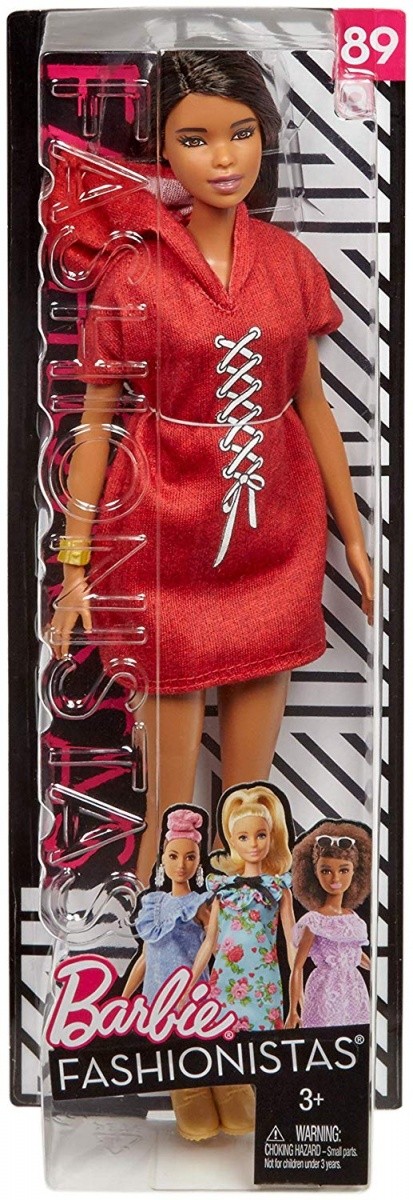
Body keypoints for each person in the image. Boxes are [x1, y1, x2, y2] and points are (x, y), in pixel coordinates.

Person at [46, 50, 374, 884]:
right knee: (168, 801)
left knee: (250, 804)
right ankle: (156, 932)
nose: (224, 158)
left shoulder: (287, 262)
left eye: (242, 133)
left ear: (266, 137)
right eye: (195, 139)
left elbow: (312, 406)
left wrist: (355, 539)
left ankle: (248, 931)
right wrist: (73, 565)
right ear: (162, 148)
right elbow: (94, 429)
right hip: (165, 534)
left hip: (274, 534)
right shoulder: (136, 273)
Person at [122, 804, 255, 1141]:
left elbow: (216, 945)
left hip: (193, 991)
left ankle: (230, 1087)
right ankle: (188, 1092)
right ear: (163, 861)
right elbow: (145, 956)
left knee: (209, 1040)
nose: (181, 865)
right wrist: (124, 997)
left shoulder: (199, 903)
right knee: (175, 1048)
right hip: (159, 995)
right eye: (173, 856)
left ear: (198, 862)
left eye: (190, 857)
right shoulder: (153, 905)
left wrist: (204, 979)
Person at [185, 783, 295, 1030]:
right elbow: (209, 942)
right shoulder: (224, 889)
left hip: (264, 982)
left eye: (261, 835)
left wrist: (298, 992)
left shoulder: (277, 888)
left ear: (271, 837)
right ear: (233, 842)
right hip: (225, 980)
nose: (253, 844)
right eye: (244, 837)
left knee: (266, 1041)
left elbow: (292, 943)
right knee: (224, 1040)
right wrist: (187, 989)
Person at [285, 821, 371, 1028]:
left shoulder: (354, 919)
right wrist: (293, 1011)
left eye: (344, 870)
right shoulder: (314, 921)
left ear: (355, 872)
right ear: (314, 873)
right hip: (324, 990)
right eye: (326, 871)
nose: (335, 878)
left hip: (354, 990)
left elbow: (356, 954)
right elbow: (297, 967)